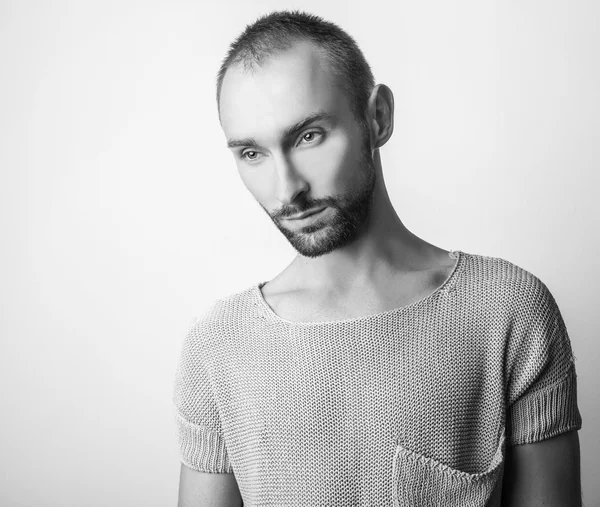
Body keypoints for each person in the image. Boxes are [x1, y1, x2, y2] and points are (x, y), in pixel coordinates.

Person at [173, 10, 582, 507]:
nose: (287, 191)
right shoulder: (218, 348)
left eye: (308, 136)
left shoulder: (508, 311)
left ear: (378, 117)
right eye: (252, 153)